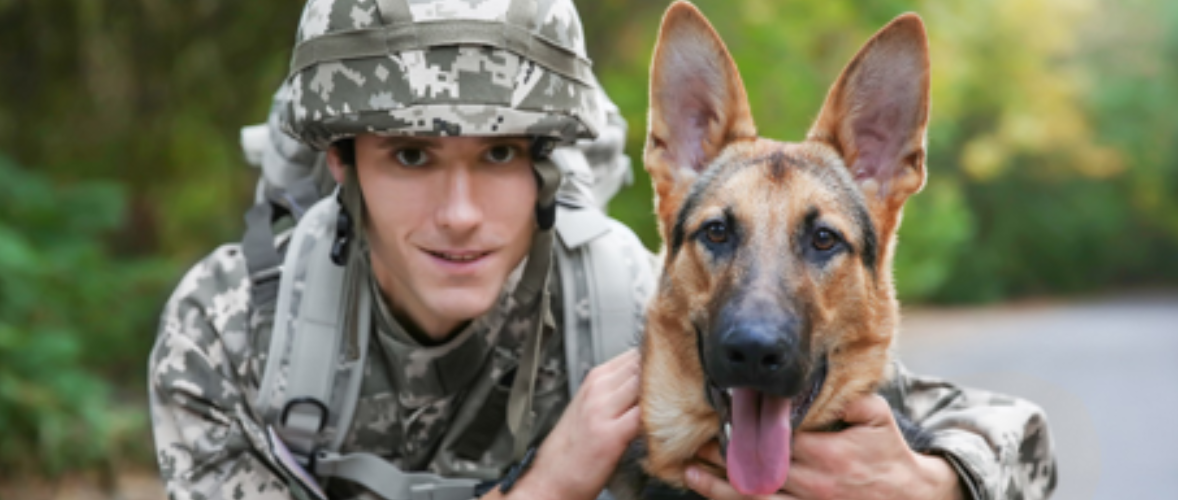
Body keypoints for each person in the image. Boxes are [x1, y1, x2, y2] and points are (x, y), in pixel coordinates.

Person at [148, 1, 1057, 499]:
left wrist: (932, 484)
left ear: (551, 167)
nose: (460, 212)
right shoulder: (231, 334)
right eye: (412, 155)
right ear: (342, 163)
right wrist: (548, 489)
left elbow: (1014, 440)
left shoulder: (641, 308)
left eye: (500, 155)